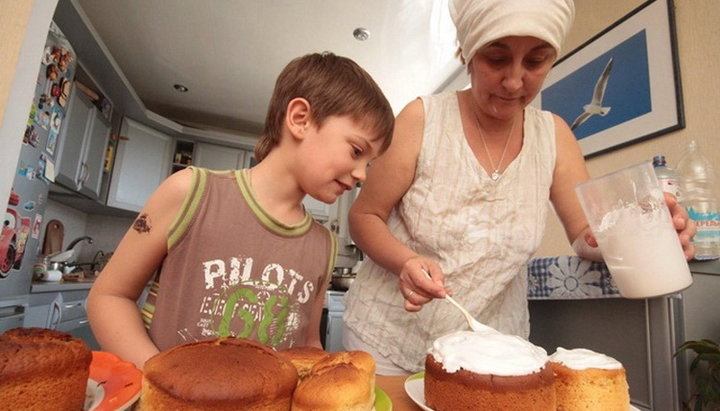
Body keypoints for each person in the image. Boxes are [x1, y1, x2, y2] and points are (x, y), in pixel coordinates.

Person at [342, 0, 697, 375]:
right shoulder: (422, 119)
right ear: (467, 54)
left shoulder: (554, 136)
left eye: (535, 61)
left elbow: (585, 233)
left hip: (490, 349)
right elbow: (365, 216)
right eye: (496, 60)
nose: (514, 81)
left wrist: (641, 232)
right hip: (389, 341)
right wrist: (406, 262)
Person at [87, 52, 395, 369]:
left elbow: (308, 344)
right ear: (301, 119)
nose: (362, 175)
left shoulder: (323, 245)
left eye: (368, 163)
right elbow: (110, 297)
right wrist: (159, 377)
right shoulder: (190, 192)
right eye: (356, 151)